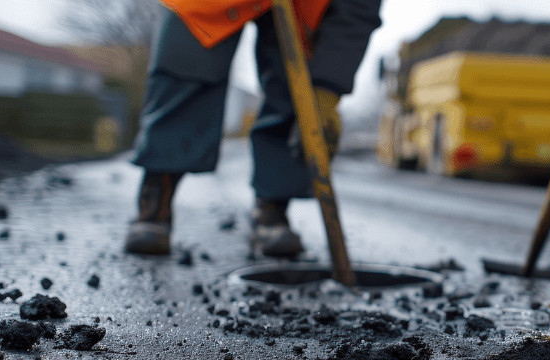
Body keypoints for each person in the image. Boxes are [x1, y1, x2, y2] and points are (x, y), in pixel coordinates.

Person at [126, 0, 382, 257]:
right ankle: (155, 199)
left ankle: (272, 210)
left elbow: (357, 11)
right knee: (187, 64)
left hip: (302, 6)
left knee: (296, 90)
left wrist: (327, 87)